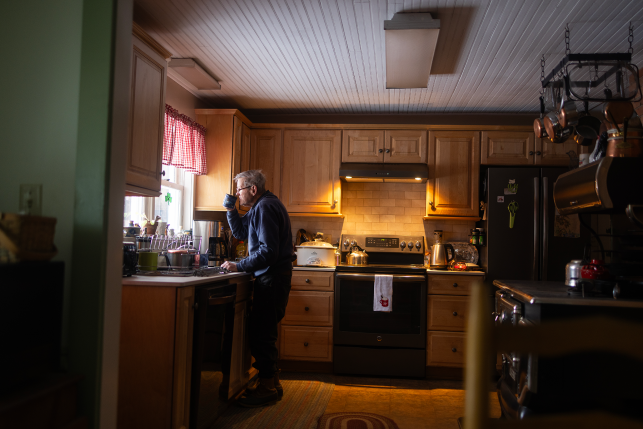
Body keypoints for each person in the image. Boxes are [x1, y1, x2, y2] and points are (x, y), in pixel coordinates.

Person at [222, 170, 294, 407]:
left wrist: (239, 265)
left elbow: (268, 252)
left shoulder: (264, 207)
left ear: (253, 189)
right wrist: (232, 210)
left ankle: (267, 387)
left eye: (240, 189)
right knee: (265, 332)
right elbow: (242, 233)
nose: (237, 193)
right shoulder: (261, 206)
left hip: (271, 278)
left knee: (262, 334)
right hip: (273, 278)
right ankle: (272, 382)